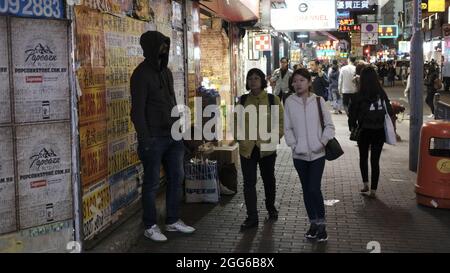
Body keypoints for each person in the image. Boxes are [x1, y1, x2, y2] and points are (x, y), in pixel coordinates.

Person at [130, 31, 195, 242]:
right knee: (151, 184)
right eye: (160, 46)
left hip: (172, 136)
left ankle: (173, 220)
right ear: (150, 48)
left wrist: (179, 130)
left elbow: (173, 102)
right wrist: (145, 139)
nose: (164, 50)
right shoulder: (140, 75)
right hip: (154, 139)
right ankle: (150, 225)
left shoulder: (166, 72)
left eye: (166, 46)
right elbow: (137, 112)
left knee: (177, 177)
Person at [284, 68, 336, 242]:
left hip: (317, 154)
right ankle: (313, 224)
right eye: (295, 81)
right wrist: (294, 145)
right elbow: (288, 128)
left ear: (309, 82)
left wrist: (321, 142)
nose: (297, 84)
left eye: (301, 80)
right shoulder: (289, 102)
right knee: (306, 190)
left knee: (314, 188)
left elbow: (329, 126)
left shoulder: (319, 101)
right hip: (299, 155)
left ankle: (322, 226)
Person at [235, 68, 284, 231]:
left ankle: (270, 207)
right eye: (250, 78)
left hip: (267, 148)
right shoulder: (242, 101)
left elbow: (281, 121)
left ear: (262, 80)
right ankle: (252, 217)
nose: (253, 81)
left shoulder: (272, 99)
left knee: (268, 179)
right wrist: (240, 139)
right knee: (249, 183)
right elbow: (236, 122)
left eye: (256, 78)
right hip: (247, 148)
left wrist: (275, 137)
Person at [348, 66, 394, 199]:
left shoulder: (358, 95)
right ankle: (374, 190)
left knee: (363, 157)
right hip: (379, 131)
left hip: (364, 130)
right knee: (375, 160)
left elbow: (352, 114)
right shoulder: (381, 93)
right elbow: (389, 111)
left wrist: (352, 126)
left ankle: (365, 184)